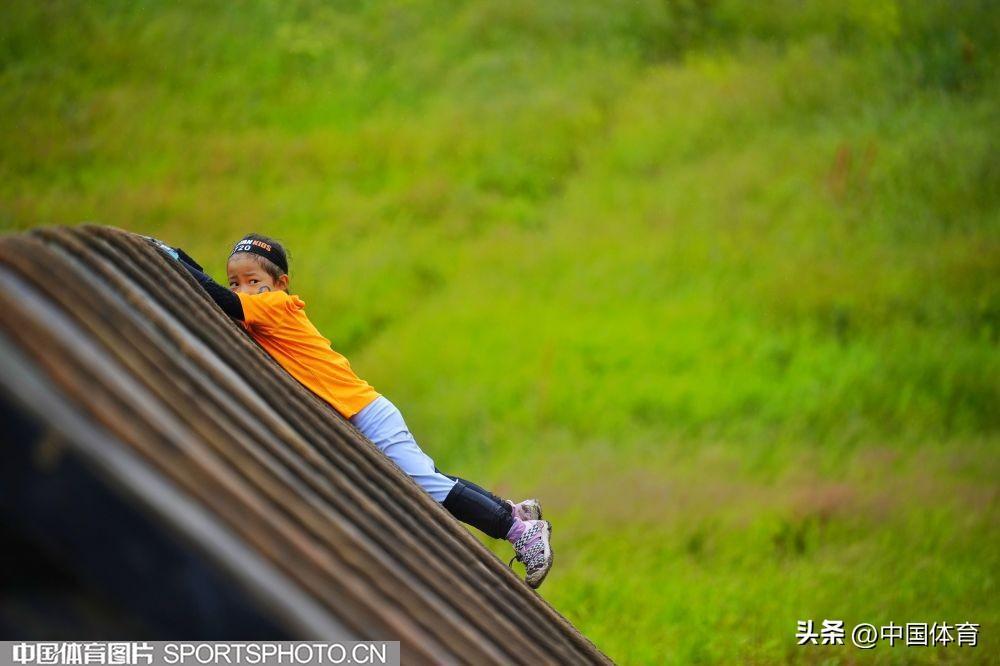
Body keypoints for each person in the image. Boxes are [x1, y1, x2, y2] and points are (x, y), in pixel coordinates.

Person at [146, 233, 554, 588]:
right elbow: (221, 296)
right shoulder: (262, 316)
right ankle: (511, 512)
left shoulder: (276, 307)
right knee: (428, 478)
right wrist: (182, 258)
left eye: (254, 281)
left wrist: (174, 259)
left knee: (425, 488)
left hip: (364, 412)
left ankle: (519, 531)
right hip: (361, 410)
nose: (245, 290)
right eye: (236, 281)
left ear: (280, 284)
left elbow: (220, 300)